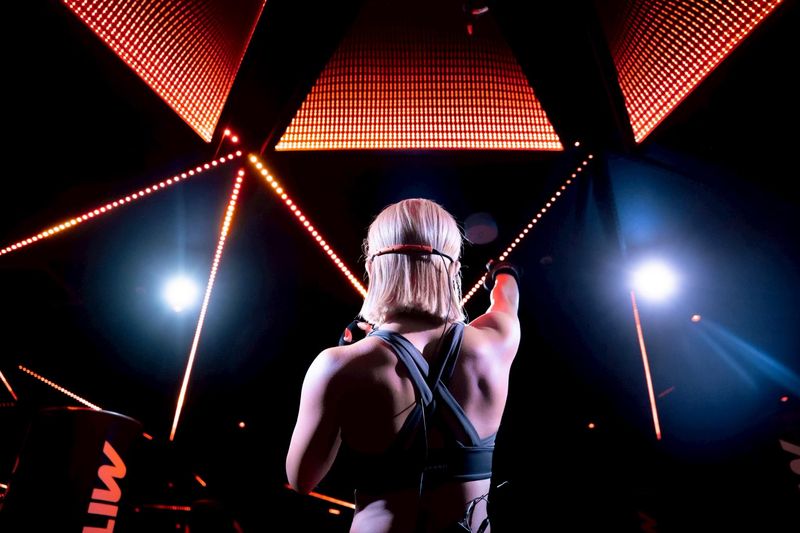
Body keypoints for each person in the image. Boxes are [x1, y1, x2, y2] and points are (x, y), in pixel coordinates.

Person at [286, 198, 521, 533]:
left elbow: (301, 480)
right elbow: (506, 299)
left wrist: (342, 374)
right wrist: (504, 273)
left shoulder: (337, 365)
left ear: (372, 267)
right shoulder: (496, 342)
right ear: (454, 269)